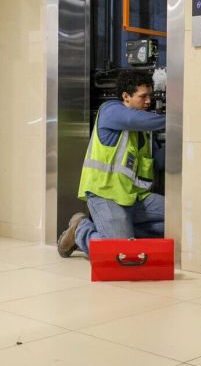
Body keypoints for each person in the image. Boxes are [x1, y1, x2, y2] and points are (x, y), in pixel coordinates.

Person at [57, 70, 166, 257]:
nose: (149, 101)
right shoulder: (110, 110)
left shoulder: (146, 131)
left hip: (135, 198)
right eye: (143, 96)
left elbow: (159, 161)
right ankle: (81, 230)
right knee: (121, 253)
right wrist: (180, 121)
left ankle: (124, 233)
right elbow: (132, 119)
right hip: (105, 195)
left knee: (176, 218)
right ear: (126, 96)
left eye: (151, 96)